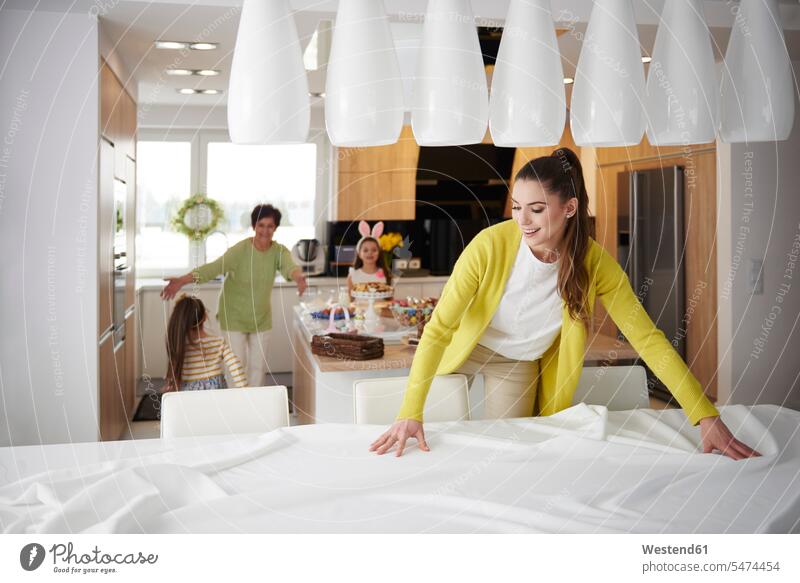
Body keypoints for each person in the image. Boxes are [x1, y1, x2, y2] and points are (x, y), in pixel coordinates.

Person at [370, 147, 760, 461]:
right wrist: (409, 412)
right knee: (431, 444)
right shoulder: (489, 246)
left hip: (517, 363)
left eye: (536, 209)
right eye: (517, 206)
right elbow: (438, 330)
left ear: (569, 208)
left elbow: (648, 339)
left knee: (508, 454)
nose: (523, 220)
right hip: (467, 348)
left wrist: (705, 415)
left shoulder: (594, 264)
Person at [161, 204, 307, 387]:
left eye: (270, 226)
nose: (265, 230)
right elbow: (213, 268)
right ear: (254, 226)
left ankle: (253, 407)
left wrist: (299, 277)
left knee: (258, 368)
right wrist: (182, 280)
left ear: (276, 228)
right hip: (233, 316)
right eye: (261, 225)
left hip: (261, 318)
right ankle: (236, 406)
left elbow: (289, 267)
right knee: (235, 367)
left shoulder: (278, 251)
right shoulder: (240, 251)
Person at [164, 295, 246, 391]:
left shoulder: (180, 344)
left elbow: (175, 371)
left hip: (189, 393)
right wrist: (244, 390)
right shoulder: (218, 342)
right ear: (205, 316)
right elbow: (235, 365)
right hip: (215, 391)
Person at [346, 220, 392, 299]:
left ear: (379, 253)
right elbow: (350, 301)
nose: (370, 253)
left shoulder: (385, 273)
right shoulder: (353, 275)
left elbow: (390, 301)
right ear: (359, 254)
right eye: (365, 250)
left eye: (374, 250)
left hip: (380, 311)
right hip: (359, 311)